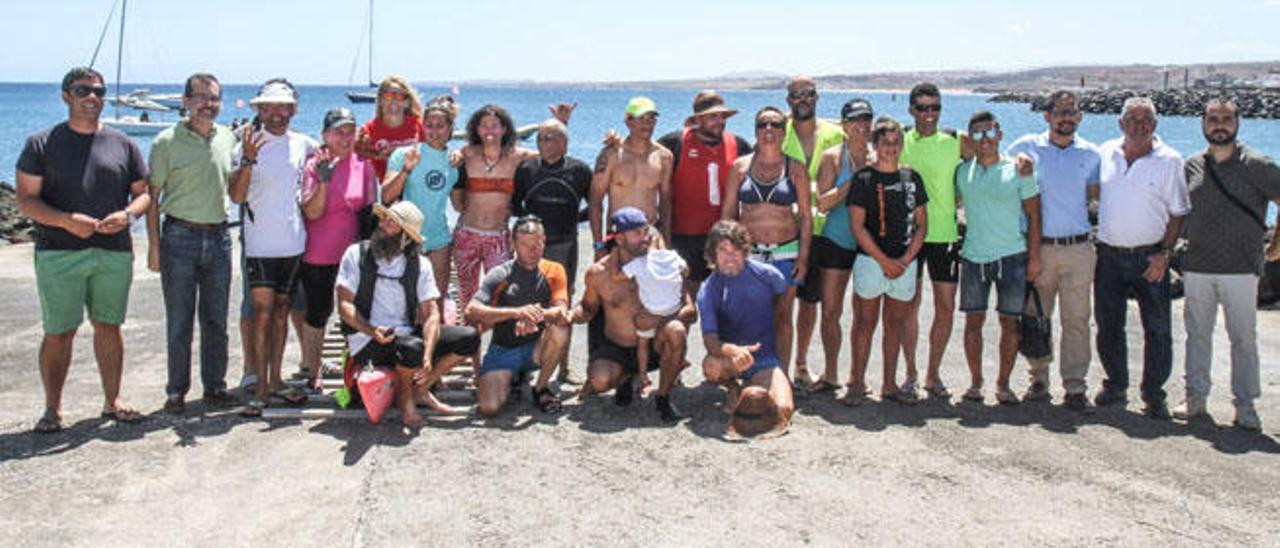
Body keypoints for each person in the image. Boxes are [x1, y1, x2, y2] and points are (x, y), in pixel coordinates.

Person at [15, 66, 151, 432]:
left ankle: (112, 401)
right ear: (66, 96)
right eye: (83, 91)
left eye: (99, 91)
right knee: (60, 330)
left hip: (113, 251)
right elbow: (26, 200)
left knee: (110, 326)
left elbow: (144, 194)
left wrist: (127, 215)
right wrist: (64, 220)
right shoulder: (41, 144)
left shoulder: (124, 143)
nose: (92, 97)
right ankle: (52, 409)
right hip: (58, 252)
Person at [1175, 97, 1280, 432]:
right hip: (1197, 266)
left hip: (1242, 268)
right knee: (1197, 335)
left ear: (1238, 123)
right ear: (1203, 123)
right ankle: (1196, 398)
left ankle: (1245, 405)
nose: (1219, 125)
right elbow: (1179, 212)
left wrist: (1275, 246)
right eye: (1213, 118)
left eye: (1226, 119)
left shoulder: (1258, 165)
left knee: (1243, 339)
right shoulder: (1191, 165)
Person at [336, 201, 479, 427]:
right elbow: (344, 304)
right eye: (384, 218)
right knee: (411, 347)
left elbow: (431, 313)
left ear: (405, 235)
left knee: (469, 338)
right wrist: (371, 330)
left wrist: (428, 354)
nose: (382, 224)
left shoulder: (419, 264)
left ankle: (419, 390)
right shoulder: (357, 254)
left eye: (392, 223)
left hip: (407, 336)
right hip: (367, 339)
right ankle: (406, 403)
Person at [146, 72, 238, 415]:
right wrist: (153, 247)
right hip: (179, 237)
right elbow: (152, 198)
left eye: (214, 98)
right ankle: (176, 391)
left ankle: (215, 387)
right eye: (200, 97)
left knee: (215, 319)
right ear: (185, 101)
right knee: (179, 320)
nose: (207, 105)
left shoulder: (227, 138)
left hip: (218, 237)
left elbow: (235, 187)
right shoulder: (166, 142)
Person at [1005, 90, 1102, 412]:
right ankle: (1038, 379)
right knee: (1035, 317)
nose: (1066, 118)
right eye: (1059, 112)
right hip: (1040, 248)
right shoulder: (1024, 148)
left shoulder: (1091, 155)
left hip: (1078, 248)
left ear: (1080, 117)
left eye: (1072, 112)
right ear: (1046, 115)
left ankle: (1075, 386)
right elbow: (996, 172)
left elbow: (1095, 197)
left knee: (1077, 320)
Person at [1092, 97, 1189, 420]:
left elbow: (1178, 213)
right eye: (1132, 118)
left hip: (1150, 257)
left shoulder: (1170, 160)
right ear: (1121, 124)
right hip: (1108, 254)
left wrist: (1165, 254)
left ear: (1156, 125)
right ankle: (1116, 384)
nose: (1139, 124)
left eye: (1146, 119)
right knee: (1108, 324)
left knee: (1158, 328)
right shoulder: (1105, 153)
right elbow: (1091, 192)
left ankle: (1153, 393)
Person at [227, 78, 318, 413]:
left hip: (293, 242)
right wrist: (249, 160)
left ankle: (277, 379)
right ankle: (261, 386)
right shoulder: (245, 145)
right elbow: (236, 195)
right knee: (262, 314)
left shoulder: (303, 144)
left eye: (283, 107)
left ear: (293, 110)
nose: (277, 114)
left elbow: (330, 158)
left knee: (281, 312)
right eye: (269, 107)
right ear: (259, 110)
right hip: (260, 243)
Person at [574, 208, 695, 423]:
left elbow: (691, 311)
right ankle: (626, 377)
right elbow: (588, 308)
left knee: (676, 331)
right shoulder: (599, 273)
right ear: (619, 238)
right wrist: (565, 315)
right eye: (637, 233)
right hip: (617, 347)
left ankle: (663, 397)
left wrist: (658, 320)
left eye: (645, 230)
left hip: (654, 344)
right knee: (600, 381)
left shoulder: (664, 264)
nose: (645, 237)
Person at [954, 111, 1041, 405]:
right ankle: (976, 381)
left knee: (1010, 324)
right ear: (971, 139)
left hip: (1012, 257)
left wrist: (1034, 258)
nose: (985, 139)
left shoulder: (1019, 170)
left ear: (1000, 134)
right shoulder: (963, 172)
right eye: (977, 134)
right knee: (972, 323)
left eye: (990, 132)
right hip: (974, 256)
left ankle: (1003, 383)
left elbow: (1033, 214)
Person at [842, 116, 929, 406]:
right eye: (885, 143)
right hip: (870, 261)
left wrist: (904, 260)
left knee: (894, 323)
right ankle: (857, 382)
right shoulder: (864, 179)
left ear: (902, 145)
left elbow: (921, 225)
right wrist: (883, 261)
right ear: (875, 145)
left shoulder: (912, 179)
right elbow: (858, 226)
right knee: (865, 323)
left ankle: (889, 384)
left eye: (896, 143)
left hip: (904, 262)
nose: (891, 148)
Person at [720, 106, 812, 382]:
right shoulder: (741, 167)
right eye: (763, 125)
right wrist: (727, 254)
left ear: (784, 132)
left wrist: (803, 258)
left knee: (783, 317)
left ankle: (781, 377)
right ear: (756, 130)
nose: (768, 130)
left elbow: (806, 217)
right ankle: (747, 376)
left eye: (775, 124)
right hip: (751, 255)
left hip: (786, 251)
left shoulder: (795, 168)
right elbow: (727, 214)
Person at [297, 108, 379, 394]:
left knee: (353, 315)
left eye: (350, 131)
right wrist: (322, 181)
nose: (345, 138)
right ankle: (311, 370)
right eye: (338, 132)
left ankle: (353, 369)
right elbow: (313, 211)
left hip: (352, 255)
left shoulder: (363, 164)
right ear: (325, 135)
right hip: (319, 252)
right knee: (318, 313)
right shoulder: (314, 163)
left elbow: (369, 211)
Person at [464, 215, 571, 416]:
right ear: (512, 244)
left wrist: (534, 316)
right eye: (526, 244)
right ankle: (512, 376)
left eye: (538, 243)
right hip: (504, 349)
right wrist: (516, 312)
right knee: (490, 407)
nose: (533, 250)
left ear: (544, 241)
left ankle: (541, 387)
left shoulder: (554, 270)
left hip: (536, 348)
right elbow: (471, 310)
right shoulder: (500, 273)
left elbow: (561, 311)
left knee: (560, 329)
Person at [697, 220, 796, 438]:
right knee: (710, 366)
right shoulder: (708, 290)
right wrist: (733, 351)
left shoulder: (769, 276)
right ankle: (733, 387)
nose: (730, 257)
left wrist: (781, 364)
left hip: (764, 359)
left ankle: (755, 385)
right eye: (723, 250)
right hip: (730, 361)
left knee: (785, 411)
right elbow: (709, 341)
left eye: (736, 250)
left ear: (745, 251)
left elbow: (782, 313)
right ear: (713, 254)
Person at [512, 118, 592, 383]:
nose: (542, 143)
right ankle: (524, 365)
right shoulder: (527, 169)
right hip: (532, 246)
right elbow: (515, 205)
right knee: (527, 300)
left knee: (562, 302)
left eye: (549, 138)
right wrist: (529, 229)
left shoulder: (579, 170)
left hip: (564, 244)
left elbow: (594, 206)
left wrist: (572, 221)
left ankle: (564, 367)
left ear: (565, 142)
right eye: (540, 138)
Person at [899, 83, 966, 400]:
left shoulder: (954, 141)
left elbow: (990, 151)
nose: (929, 115)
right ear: (911, 110)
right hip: (909, 236)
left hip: (945, 235)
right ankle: (910, 372)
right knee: (909, 306)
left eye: (935, 108)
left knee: (945, 307)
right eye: (923, 108)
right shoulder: (899, 140)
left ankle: (932, 373)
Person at [781, 76, 846, 390]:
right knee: (781, 301)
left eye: (808, 94)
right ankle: (775, 364)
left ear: (817, 97)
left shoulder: (836, 134)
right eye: (796, 95)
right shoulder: (777, 133)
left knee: (810, 303)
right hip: (786, 230)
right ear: (788, 100)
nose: (802, 99)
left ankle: (801, 364)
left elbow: (866, 147)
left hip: (825, 230)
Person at [657, 90, 752, 296]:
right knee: (683, 305)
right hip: (683, 237)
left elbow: (764, 168)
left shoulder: (738, 145)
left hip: (725, 238)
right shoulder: (676, 143)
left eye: (721, 116)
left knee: (725, 301)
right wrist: (617, 144)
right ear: (698, 119)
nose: (719, 121)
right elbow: (641, 154)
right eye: (712, 116)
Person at [811, 98, 874, 393]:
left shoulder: (882, 154)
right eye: (856, 121)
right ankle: (831, 372)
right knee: (831, 311)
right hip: (837, 240)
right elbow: (823, 203)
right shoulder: (832, 157)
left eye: (867, 120)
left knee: (864, 314)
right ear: (845, 126)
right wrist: (856, 180)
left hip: (869, 244)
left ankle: (857, 377)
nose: (862, 126)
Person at [384, 95, 463, 319]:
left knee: (435, 303)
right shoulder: (404, 154)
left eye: (440, 126)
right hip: (407, 238)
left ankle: (431, 353)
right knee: (405, 302)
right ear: (422, 125)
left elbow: (458, 205)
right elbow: (387, 195)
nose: (434, 131)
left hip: (439, 240)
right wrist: (406, 170)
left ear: (450, 129)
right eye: (429, 125)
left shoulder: (454, 161)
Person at [590, 97, 675, 258]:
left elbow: (665, 203)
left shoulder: (664, 157)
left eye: (651, 118)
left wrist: (667, 242)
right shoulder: (611, 154)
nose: (647, 124)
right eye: (641, 119)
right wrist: (598, 244)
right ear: (628, 121)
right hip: (618, 237)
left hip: (649, 235)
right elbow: (595, 202)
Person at [355, 75, 423, 181]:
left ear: (407, 102)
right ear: (380, 100)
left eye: (400, 97)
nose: (394, 102)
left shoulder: (420, 125)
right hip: (390, 192)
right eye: (388, 96)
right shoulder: (368, 131)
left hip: (420, 188)